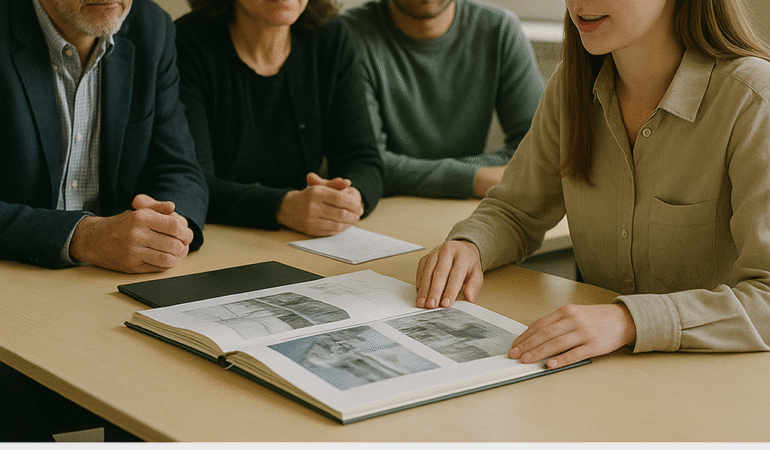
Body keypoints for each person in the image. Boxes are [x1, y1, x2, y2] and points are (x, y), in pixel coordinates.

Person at [416, 0, 770, 369]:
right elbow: (516, 211)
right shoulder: (573, 84)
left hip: (717, 383)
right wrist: (470, 245)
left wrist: (629, 320)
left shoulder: (755, 100)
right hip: (599, 374)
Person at [0, 0, 208, 440]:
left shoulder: (151, 28)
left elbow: (179, 169)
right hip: (12, 299)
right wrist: (82, 237)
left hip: (103, 296)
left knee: (185, 394)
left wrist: (167, 227)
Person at [176, 0, 384, 237]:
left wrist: (350, 198)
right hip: (219, 242)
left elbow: (362, 157)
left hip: (303, 242)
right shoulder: (185, 43)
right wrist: (282, 207)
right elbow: (190, 183)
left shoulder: (330, 36)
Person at [340, 0, 544, 199]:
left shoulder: (499, 29)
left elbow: (541, 149)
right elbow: (364, 164)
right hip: (382, 206)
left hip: (470, 208)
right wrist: (475, 177)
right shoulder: (346, 35)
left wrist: (443, 177)